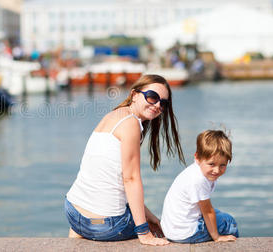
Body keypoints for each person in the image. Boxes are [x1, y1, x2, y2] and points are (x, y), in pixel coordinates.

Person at [64, 74, 185, 246]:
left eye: (163, 103)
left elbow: (111, 179)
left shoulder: (114, 115)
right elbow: (130, 179)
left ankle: (81, 234)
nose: (157, 105)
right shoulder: (131, 124)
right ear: (134, 94)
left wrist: (149, 216)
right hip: (106, 225)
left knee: (146, 217)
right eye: (152, 97)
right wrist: (144, 232)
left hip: (73, 213)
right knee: (173, 230)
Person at [160, 130, 239, 243]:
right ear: (197, 157)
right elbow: (207, 211)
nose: (216, 170)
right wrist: (217, 237)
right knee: (228, 221)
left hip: (172, 228)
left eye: (223, 165)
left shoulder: (196, 170)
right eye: (211, 164)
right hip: (185, 233)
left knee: (219, 214)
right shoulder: (198, 179)